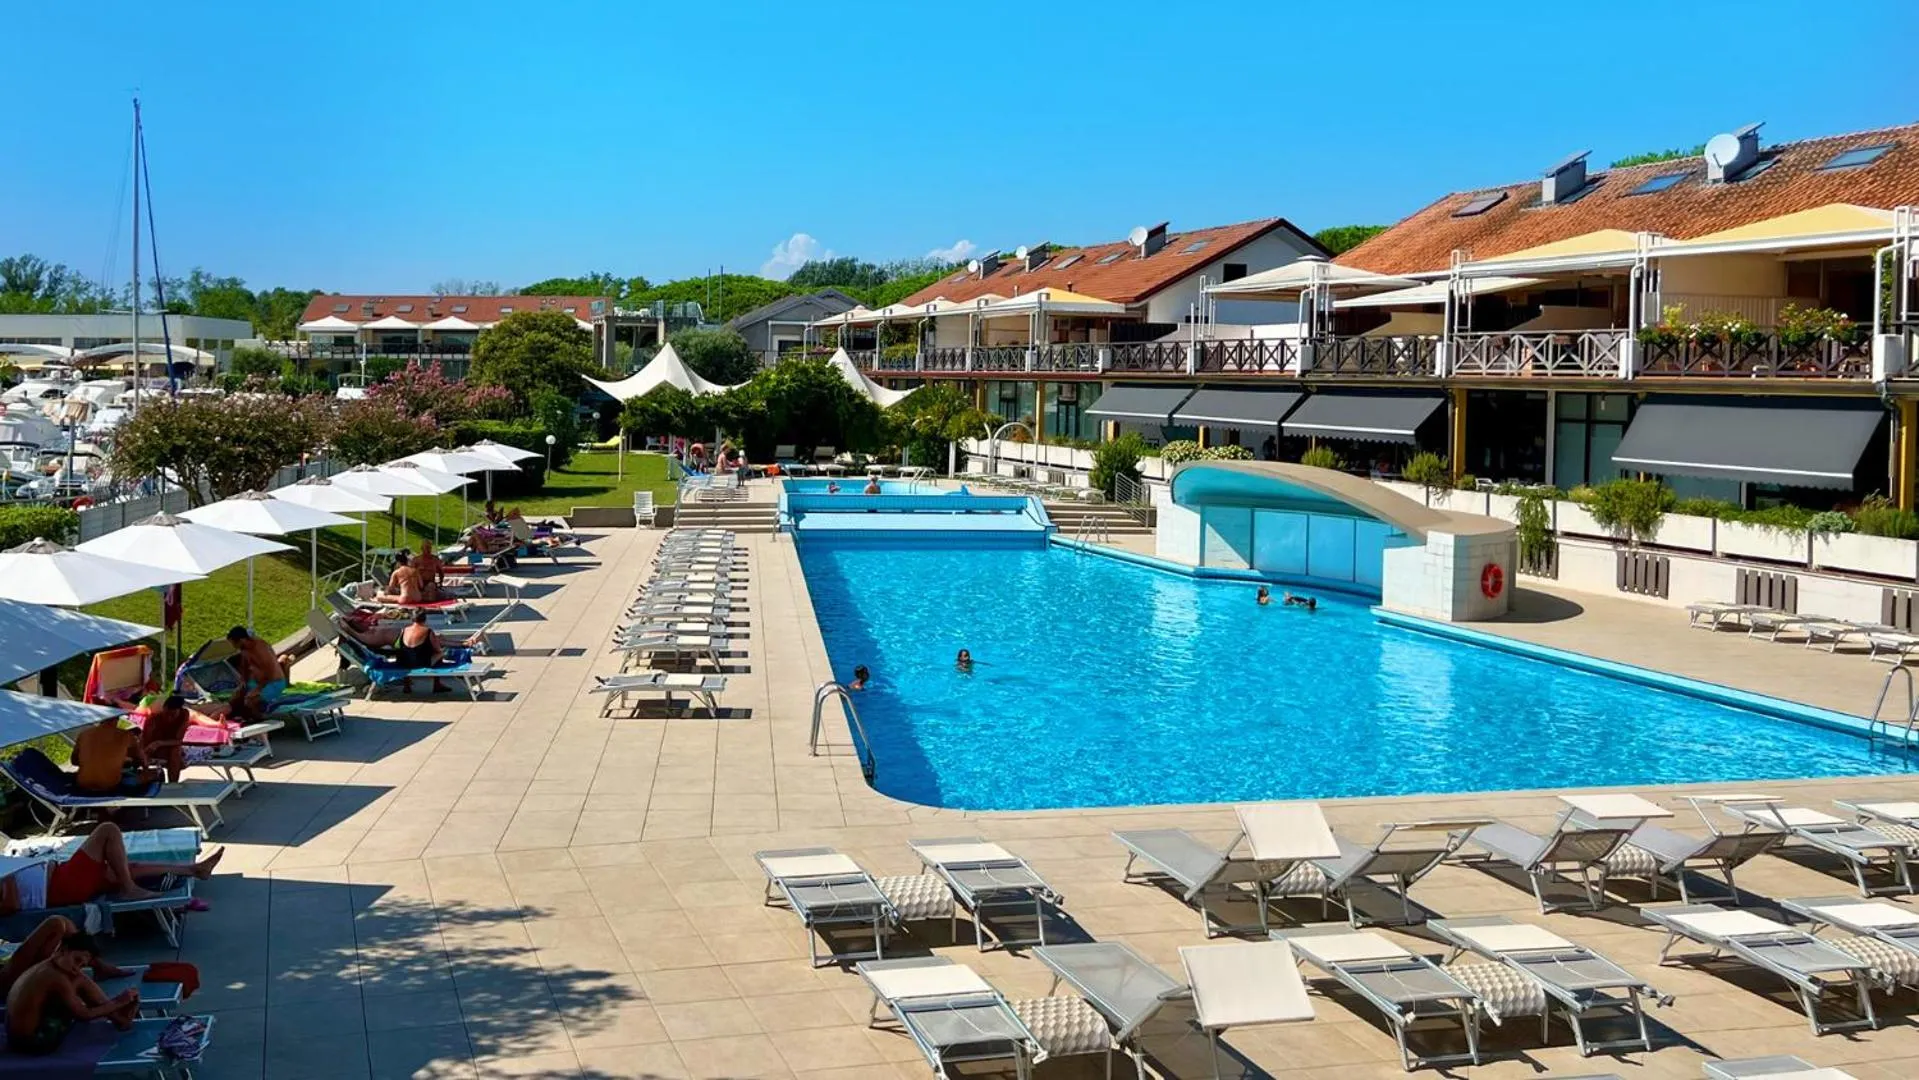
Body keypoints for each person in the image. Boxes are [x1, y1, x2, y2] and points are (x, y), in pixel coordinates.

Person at [0, 822, 224, 914]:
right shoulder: (4, 876)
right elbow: (9, 906)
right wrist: (8, 877)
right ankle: (129, 889)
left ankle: (194, 869)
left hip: (61, 876)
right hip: (60, 886)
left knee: (127, 867)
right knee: (107, 831)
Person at [6, 934, 138, 1053]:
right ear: (63, 950)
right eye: (76, 960)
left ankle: (119, 1018)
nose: (77, 968)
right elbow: (84, 1015)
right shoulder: (55, 977)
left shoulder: (46, 965)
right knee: (78, 982)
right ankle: (120, 1019)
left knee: (78, 978)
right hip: (31, 1043)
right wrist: (118, 1002)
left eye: (82, 965)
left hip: (14, 1038)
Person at [137, 695, 207, 785]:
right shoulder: (153, 718)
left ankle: (173, 784)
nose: (169, 718)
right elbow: (145, 742)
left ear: (179, 710)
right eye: (167, 714)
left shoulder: (184, 714)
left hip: (167, 746)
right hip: (151, 748)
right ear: (164, 709)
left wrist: (158, 743)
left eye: (173, 715)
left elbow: (178, 740)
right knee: (174, 753)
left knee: (176, 751)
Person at [71, 714, 150, 795]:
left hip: (83, 784)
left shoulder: (84, 734)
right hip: (109, 786)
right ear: (117, 719)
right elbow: (142, 761)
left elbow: (74, 761)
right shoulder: (126, 735)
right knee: (136, 780)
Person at [226, 626, 286, 724]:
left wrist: (258, 689)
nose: (233, 646)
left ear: (241, 640)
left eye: (233, 643)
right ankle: (244, 717)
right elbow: (244, 667)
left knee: (250, 700)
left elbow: (270, 673)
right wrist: (243, 683)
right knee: (235, 698)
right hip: (258, 682)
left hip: (274, 683)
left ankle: (262, 723)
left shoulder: (261, 649)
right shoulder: (244, 649)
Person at [396, 613, 448, 694]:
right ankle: (437, 684)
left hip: (404, 662)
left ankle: (407, 686)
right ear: (425, 619)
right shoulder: (427, 631)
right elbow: (437, 649)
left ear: (412, 619)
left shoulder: (404, 630)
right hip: (421, 662)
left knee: (407, 653)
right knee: (440, 653)